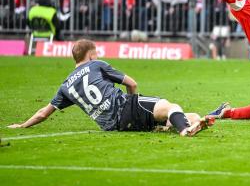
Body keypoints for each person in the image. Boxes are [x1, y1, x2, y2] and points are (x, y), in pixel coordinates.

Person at [6, 40, 213, 137]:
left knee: (188, 115)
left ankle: (187, 123)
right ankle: (185, 130)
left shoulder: (66, 86)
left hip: (113, 126)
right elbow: (131, 83)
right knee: (170, 106)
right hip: (125, 108)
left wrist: (23, 125)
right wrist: (135, 104)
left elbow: (44, 113)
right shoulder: (96, 65)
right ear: (90, 55)